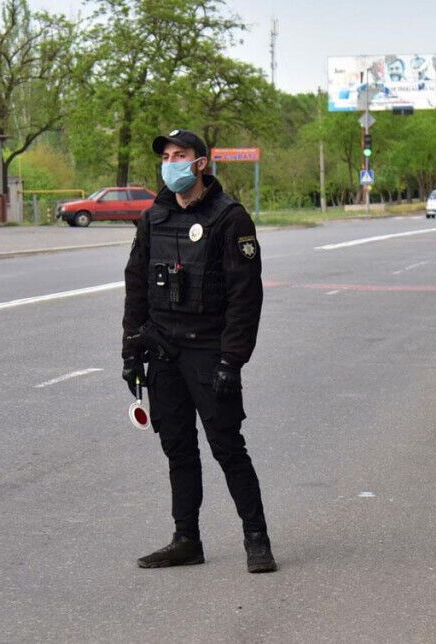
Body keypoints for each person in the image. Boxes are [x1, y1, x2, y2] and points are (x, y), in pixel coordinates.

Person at [121, 128, 276, 574]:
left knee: (227, 445)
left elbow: (246, 298)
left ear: (201, 163)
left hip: (209, 352)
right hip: (164, 351)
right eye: (166, 156)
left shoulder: (230, 219)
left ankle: (257, 538)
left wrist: (232, 359)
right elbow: (136, 285)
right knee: (178, 449)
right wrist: (131, 350)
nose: (171, 162)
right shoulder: (154, 217)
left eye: (180, 155)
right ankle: (186, 538)